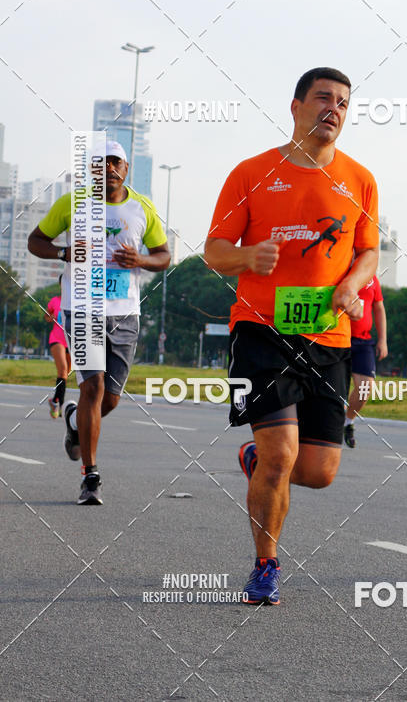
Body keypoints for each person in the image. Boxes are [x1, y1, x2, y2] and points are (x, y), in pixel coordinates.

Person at [204, 67, 379, 604]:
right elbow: (214, 250)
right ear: (296, 105)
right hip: (261, 331)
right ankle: (265, 565)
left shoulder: (360, 179)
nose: (334, 109)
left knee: (319, 472)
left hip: (328, 339)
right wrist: (246, 256)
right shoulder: (252, 173)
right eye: (324, 98)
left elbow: (370, 252)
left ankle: (256, 463)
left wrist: (352, 283)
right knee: (282, 457)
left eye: (344, 103)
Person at [28, 140, 170, 505]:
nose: (108, 168)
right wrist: (64, 252)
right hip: (83, 307)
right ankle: (90, 477)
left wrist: (140, 260)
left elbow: (164, 255)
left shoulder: (143, 208)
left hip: (124, 312)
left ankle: (76, 424)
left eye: (115, 162)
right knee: (92, 388)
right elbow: (36, 241)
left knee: (110, 400)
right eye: (101, 163)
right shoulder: (72, 204)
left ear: (126, 168)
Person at [344, 274, 388, 448]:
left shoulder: (372, 278)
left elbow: (379, 308)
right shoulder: (339, 270)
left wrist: (382, 339)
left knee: (365, 388)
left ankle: (348, 422)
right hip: (338, 339)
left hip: (363, 341)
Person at [45, 275, 70, 418]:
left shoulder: (77, 302)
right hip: (57, 339)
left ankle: (56, 402)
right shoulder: (55, 301)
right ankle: (58, 405)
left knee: (65, 374)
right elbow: (46, 317)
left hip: (71, 341)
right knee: (63, 371)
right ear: (61, 284)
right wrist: (51, 317)